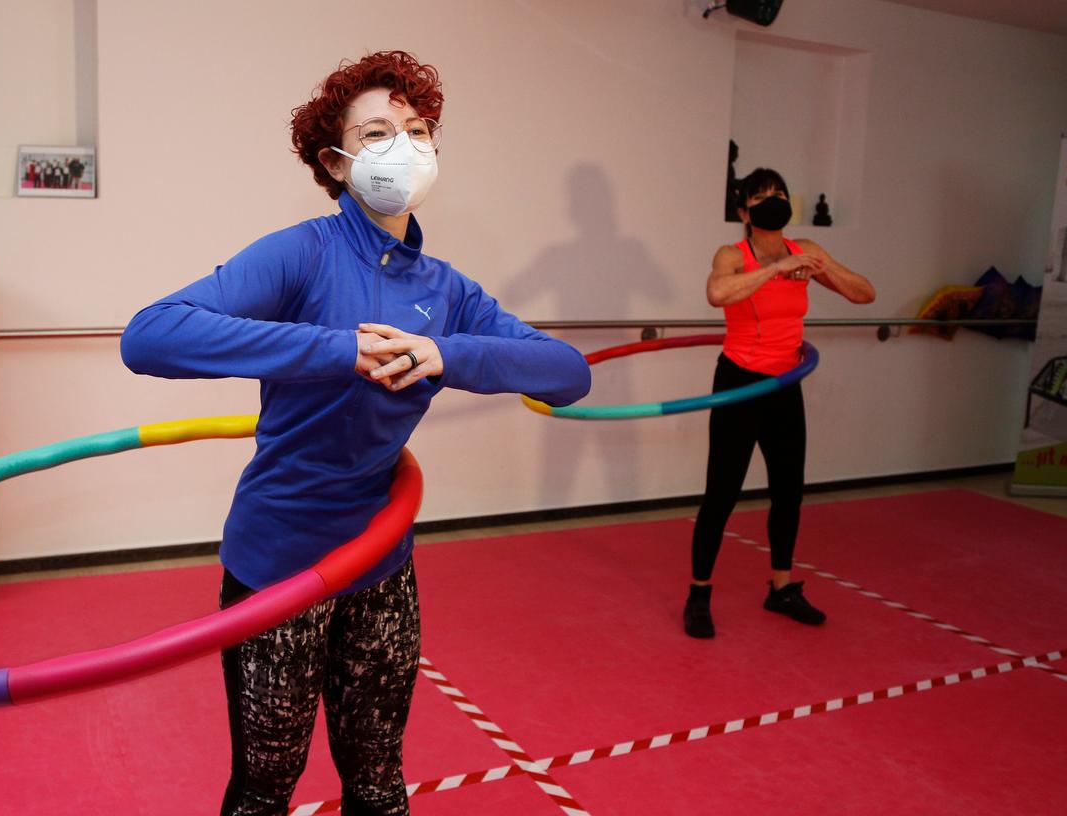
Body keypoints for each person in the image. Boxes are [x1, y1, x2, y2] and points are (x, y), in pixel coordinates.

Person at [121, 50, 590, 816]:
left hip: (380, 565)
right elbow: (149, 337)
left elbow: (568, 372)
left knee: (377, 775)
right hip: (279, 562)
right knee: (267, 785)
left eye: (416, 128)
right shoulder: (301, 253)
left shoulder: (448, 292)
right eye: (376, 133)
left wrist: (449, 353)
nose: (402, 146)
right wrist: (336, 349)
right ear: (335, 161)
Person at [684, 168, 876, 639]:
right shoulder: (734, 254)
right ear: (744, 210)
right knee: (721, 494)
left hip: (785, 383)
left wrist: (819, 267)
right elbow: (715, 293)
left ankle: (782, 587)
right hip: (739, 382)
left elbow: (865, 293)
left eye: (781, 194)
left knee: (789, 491)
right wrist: (773, 270)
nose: (775, 201)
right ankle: (699, 593)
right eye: (763, 196)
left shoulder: (805, 250)